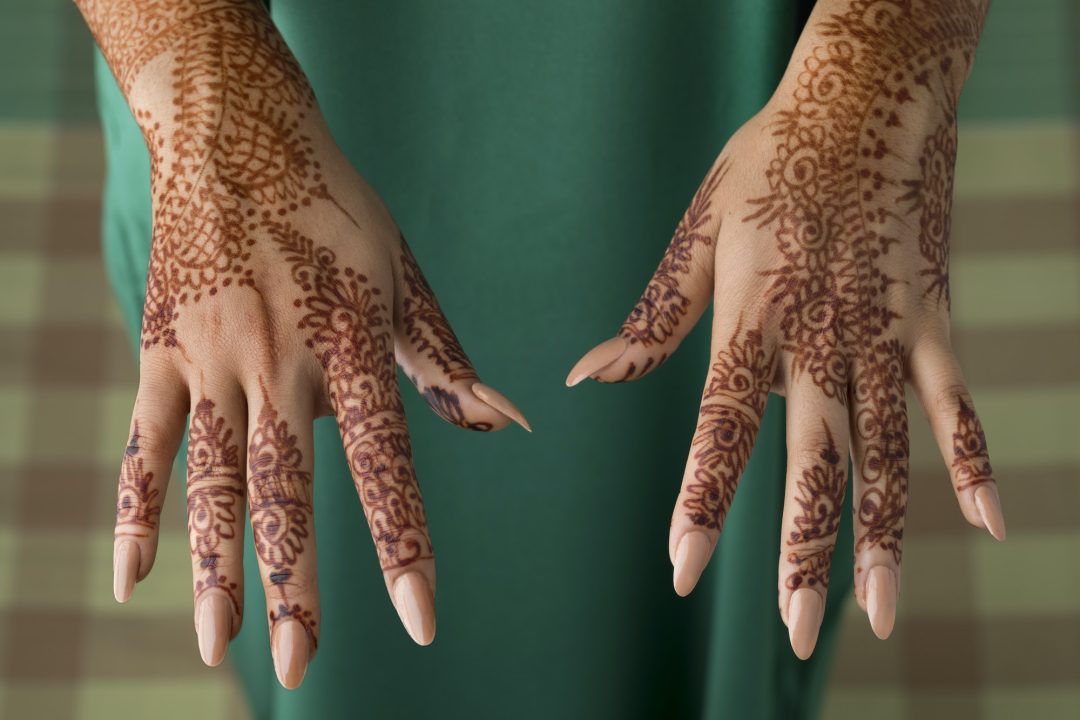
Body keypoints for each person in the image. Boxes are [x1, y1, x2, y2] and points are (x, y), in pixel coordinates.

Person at [80, 0, 1004, 717]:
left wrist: (883, 53)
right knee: (325, 577)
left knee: (734, 498)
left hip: (752, 88)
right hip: (248, 99)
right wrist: (196, 61)